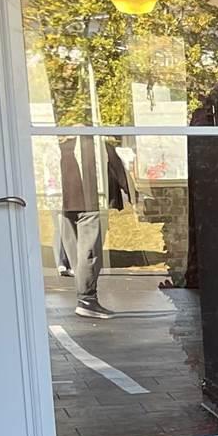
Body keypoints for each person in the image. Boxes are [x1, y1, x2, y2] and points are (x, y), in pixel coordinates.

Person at [55, 135, 134, 317]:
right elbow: (110, 155)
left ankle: (83, 293)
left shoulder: (58, 135)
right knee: (89, 249)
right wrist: (129, 190)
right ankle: (86, 298)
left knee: (74, 244)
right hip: (88, 196)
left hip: (62, 194)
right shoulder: (90, 134)